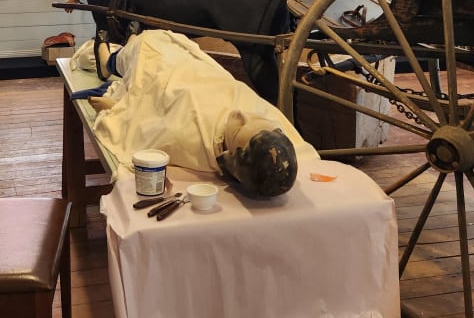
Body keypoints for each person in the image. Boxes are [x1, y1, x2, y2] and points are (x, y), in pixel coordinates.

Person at [83, 30, 318, 197]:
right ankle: (132, 43)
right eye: (256, 119)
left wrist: (120, 108)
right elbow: (303, 152)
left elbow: (148, 121)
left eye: (238, 128)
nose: (243, 114)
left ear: (228, 154)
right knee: (172, 46)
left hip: (168, 77)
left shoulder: (188, 137)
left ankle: (107, 60)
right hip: (200, 72)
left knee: (145, 48)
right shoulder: (267, 125)